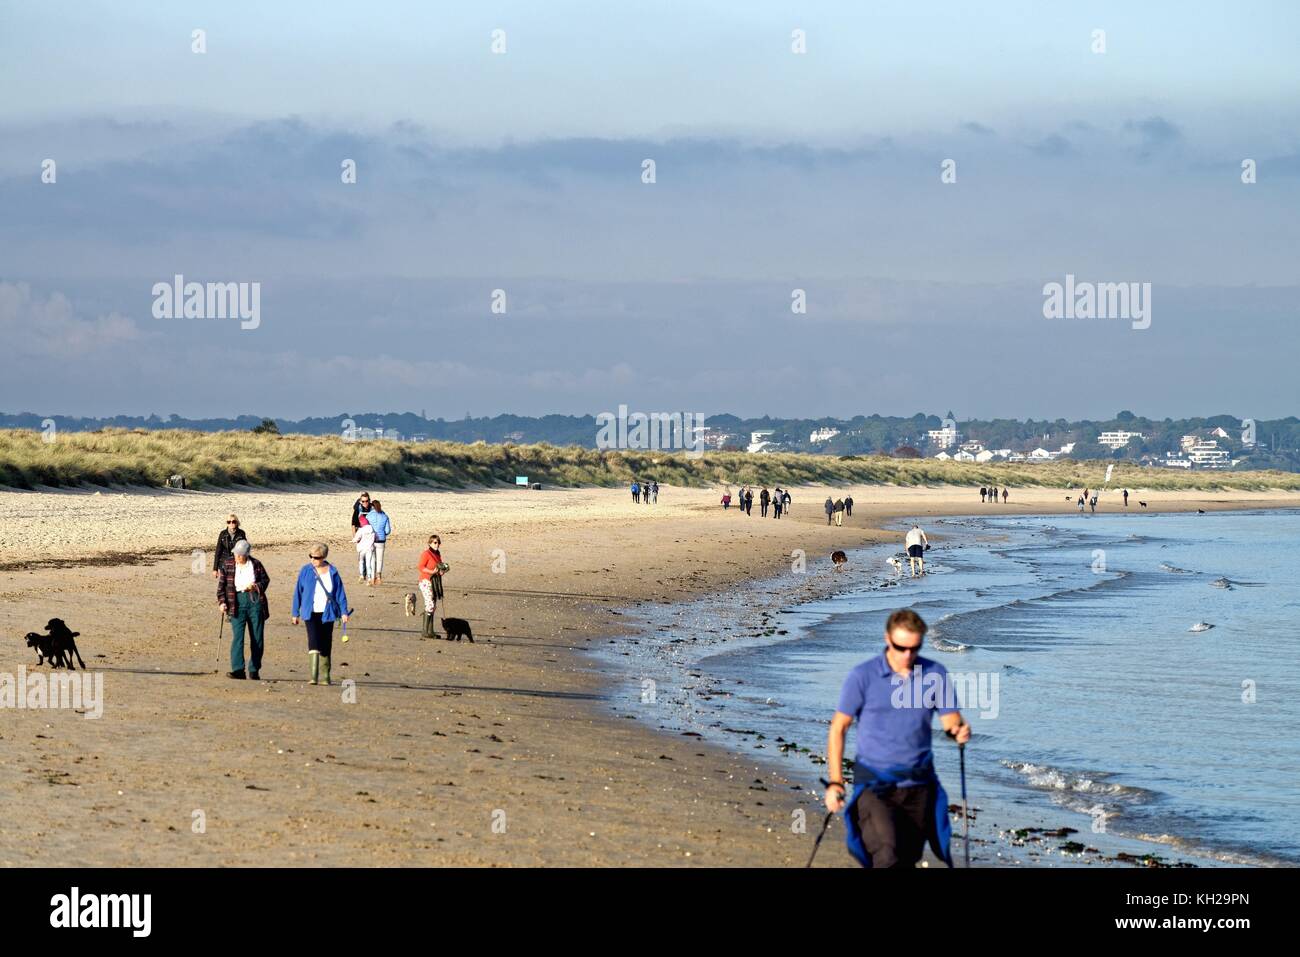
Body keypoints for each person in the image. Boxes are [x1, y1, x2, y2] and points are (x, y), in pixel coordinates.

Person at [824, 609, 971, 868]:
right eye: (901, 647)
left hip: (919, 787)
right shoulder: (863, 676)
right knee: (887, 854)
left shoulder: (935, 674)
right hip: (874, 787)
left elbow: (950, 722)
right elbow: (838, 728)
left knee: (906, 859)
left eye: (915, 648)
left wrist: (958, 731)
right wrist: (835, 781)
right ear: (887, 639)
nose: (907, 655)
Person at [290, 543, 350, 686]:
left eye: (316, 557)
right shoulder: (305, 570)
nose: (312, 560)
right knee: (313, 640)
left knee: (325, 642)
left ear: (323, 557)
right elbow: (298, 592)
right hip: (310, 612)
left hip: (328, 612)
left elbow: (340, 593)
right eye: (310, 556)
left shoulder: (333, 572)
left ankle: (325, 676)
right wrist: (295, 613)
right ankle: (313, 676)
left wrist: (344, 612)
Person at [217, 539, 270, 680]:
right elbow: (221, 587)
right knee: (238, 637)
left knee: (257, 637)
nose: (237, 557)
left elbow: (265, 580)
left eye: (240, 555)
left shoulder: (256, 564)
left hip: (255, 602)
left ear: (247, 554)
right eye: (236, 554)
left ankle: (254, 669)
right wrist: (222, 602)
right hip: (236, 602)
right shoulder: (228, 564)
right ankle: (238, 669)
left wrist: (256, 586)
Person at [417, 534, 448, 639]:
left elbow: (439, 566)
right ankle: (425, 631)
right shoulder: (426, 553)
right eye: (435, 542)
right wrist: (431, 571)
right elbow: (420, 567)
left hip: (434, 582)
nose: (437, 544)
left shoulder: (438, 554)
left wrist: (441, 571)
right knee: (430, 604)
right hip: (425, 581)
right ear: (430, 543)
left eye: (438, 542)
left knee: (433, 606)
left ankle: (430, 631)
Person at [212, 513, 248, 580]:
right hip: (224, 564)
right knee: (225, 585)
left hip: (237, 564)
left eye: (233, 521)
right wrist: (215, 569)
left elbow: (245, 551)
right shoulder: (223, 534)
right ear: (227, 524)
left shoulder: (241, 533)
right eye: (229, 522)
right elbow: (218, 552)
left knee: (236, 585)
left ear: (237, 523)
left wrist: (246, 566)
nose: (231, 523)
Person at [366, 499, 392, 585]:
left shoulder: (369, 516)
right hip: (381, 539)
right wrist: (382, 533)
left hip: (371, 539)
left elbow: (366, 528)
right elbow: (388, 530)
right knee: (380, 559)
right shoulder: (385, 516)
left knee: (372, 559)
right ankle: (379, 577)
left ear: (372, 507)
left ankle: (372, 578)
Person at [352, 514, 377, 586]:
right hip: (370, 548)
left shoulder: (361, 530)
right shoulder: (372, 529)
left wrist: (353, 540)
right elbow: (376, 538)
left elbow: (356, 538)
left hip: (362, 548)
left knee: (361, 561)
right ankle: (369, 578)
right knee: (368, 563)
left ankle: (361, 575)